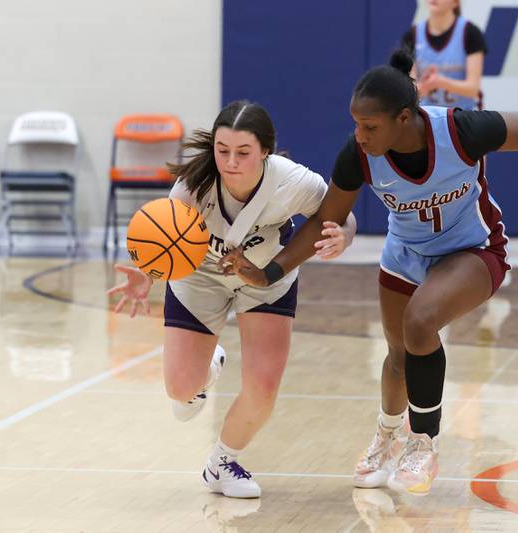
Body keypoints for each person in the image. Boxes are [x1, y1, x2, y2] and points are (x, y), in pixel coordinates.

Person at [218, 50, 518, 496]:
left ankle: (423, 442)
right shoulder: (359, 153)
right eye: (356, 124)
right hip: (406, 252)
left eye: (370, 126)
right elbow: (323, 221)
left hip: (473, 249)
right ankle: (387, 437)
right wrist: (267, 272)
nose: (360, 135)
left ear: (405, 118)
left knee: (421, 321)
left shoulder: (463, 130)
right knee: (397, 357)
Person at [108, 100, 357, 499]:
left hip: (266, 277)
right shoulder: (192, 186)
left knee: (263, 387)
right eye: (222, 151)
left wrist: (344, 234)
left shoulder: (295, 182)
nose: (231, 161)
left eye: (243, 152)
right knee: (180, 391)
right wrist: (146, 274)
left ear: (266, 151)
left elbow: (338, 214)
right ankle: (209, 367)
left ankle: (222, 463)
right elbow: (162, 241)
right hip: (200, 275)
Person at [402, 0, 486, 110]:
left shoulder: (470, 33)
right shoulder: (413, 35)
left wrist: (440, 82)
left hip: (462, 117)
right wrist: (424, 87)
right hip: (426, 117)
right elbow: (411, 91)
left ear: (455, 3)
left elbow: (473, 89)